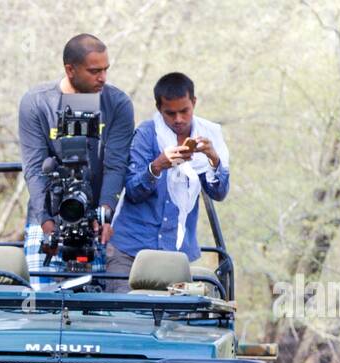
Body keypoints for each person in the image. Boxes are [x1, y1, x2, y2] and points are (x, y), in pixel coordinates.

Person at [18, 33, 135, 280]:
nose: (102, 78)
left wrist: (105, 212)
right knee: (42, 304)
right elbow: (35, 168)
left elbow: (116, 165)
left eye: (106, 70)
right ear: (70, 69)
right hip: (47, 215)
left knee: (94, 310)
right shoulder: (36, 102)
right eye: (94, 71)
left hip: (94, 220)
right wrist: (46, 223)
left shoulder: (118, 103)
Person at [107, 72, 230, 292]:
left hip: (175, 254)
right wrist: (157, 166)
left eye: (184, 111)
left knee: (169, 323)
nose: (179, 120)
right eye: (170, 113)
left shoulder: (207, 135)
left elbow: (219, 193)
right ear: (159, 108)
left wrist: (213, 158)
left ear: (194, 102)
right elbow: (133, 191)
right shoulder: (146, 134)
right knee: (126, 320)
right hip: (131, 250)